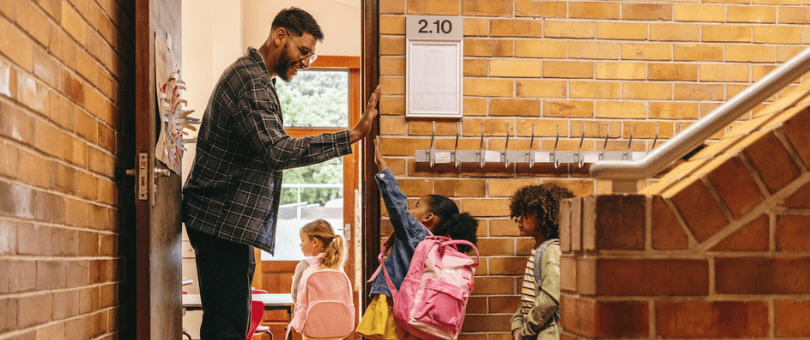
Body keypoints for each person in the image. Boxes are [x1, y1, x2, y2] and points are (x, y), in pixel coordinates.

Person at [181, 7, 382, 339]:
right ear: (279, 36)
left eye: (310, 57)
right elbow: (278, 150)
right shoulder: (250, 81)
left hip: (226, 223)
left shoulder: (256, 78)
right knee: (227, 327)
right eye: (303, 51)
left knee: (233, 323)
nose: (304, 62)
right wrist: (350, 136)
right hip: (220, 222)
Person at [355, 137, 479, 340]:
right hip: (422, 315)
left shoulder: (417, 234)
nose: (412, 211)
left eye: (417, 206)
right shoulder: (447, 248)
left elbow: (396, 205)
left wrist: (382, 166)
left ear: (429, 217)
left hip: (394, 308)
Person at [508, 184, 573, 340]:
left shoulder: (552, 250)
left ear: (544, 217)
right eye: (519, 213)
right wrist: (517, 323)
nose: (518, 219)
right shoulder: (539, 249)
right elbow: (531, 295)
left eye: (527, 214)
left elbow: (550, 298)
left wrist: (525, 331)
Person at [291, 219, 346, 303]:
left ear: (315, 241)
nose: (300, 244)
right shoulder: (336, 265)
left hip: (309, 315)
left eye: (302, 240)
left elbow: (295, 296)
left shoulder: (304, 265)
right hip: (336, 315)